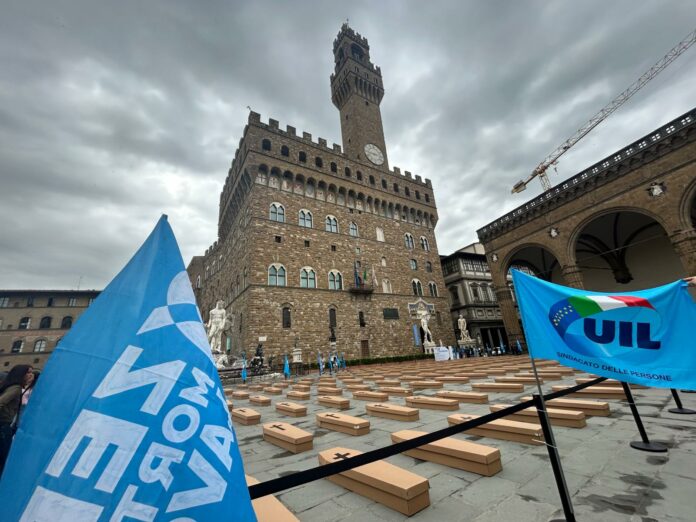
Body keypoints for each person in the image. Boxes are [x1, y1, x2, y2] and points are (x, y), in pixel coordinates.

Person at [0, 365, 34, 478]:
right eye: (28, 372)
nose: (31, 375)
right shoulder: (16, 388)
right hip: (3, 427)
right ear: (20, 374)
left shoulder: (12, 387)